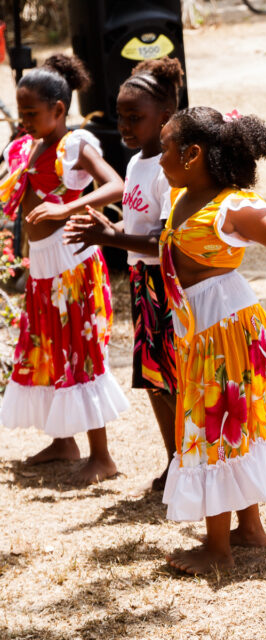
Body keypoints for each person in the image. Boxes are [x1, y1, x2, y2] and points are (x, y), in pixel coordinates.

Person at [157, 106, 266, 574]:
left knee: (212, 428)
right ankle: (250, 529)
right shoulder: (182, 194)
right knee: (227, 426)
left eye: (165, 148)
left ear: (193, 153)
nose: (160, 159)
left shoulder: (231, 205)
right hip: (202, 324)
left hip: (225, 328)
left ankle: (217, 549)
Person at [0, 54, 128, 484]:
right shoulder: (32, 145)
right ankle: (63, 440)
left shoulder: (76, 144)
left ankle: (102, 455)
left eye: (32, 113)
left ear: (59, 109)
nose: (25, 121)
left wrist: (68, 205)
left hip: (72, 265)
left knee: (79, 351)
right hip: (42, 267)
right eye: (21, 114)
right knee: (52, 349)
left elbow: (115, 184)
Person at [64, 57, 185, 491]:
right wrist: (108, 230)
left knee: (175, 380)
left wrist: (108, 237)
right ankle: (175, 461)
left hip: (166, 288)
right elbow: (136, 232)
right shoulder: (136, 163)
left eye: (136, 117)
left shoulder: (170, 171)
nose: (125, 125)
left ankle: (189, 463)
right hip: (141, 283)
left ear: (166, 118)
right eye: (121, 115)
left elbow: (165, 243)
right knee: (154, 381)